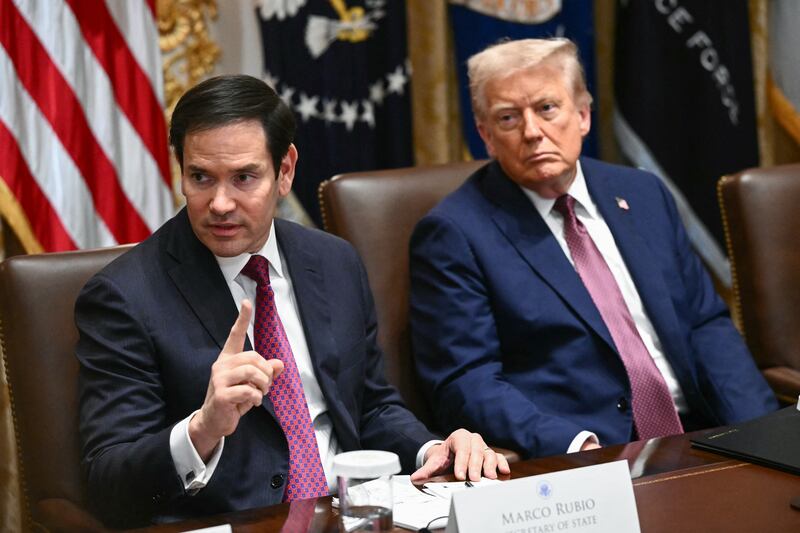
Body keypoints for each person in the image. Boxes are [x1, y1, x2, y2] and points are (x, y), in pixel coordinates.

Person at [76, 74, 509, 528]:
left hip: (352, 513)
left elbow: (370, 405)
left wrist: (432, 449)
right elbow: (108, 480)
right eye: (200, 177)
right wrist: (202, 428)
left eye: (244, 177)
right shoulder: (125, 296)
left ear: (285, 171)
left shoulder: (333, 260)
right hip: (237, 521)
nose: (220, 203)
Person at [409, 38, 778, 460]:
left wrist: (761, 435)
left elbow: (704, 324)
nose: (532, 132)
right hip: (583, 455)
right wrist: (574, 445)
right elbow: (466, 380)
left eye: (547, 108)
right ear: (486, 136)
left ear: (583, 115)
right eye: (508, 118)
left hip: (697, 436)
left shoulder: (642, 193)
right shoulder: (454, 233)